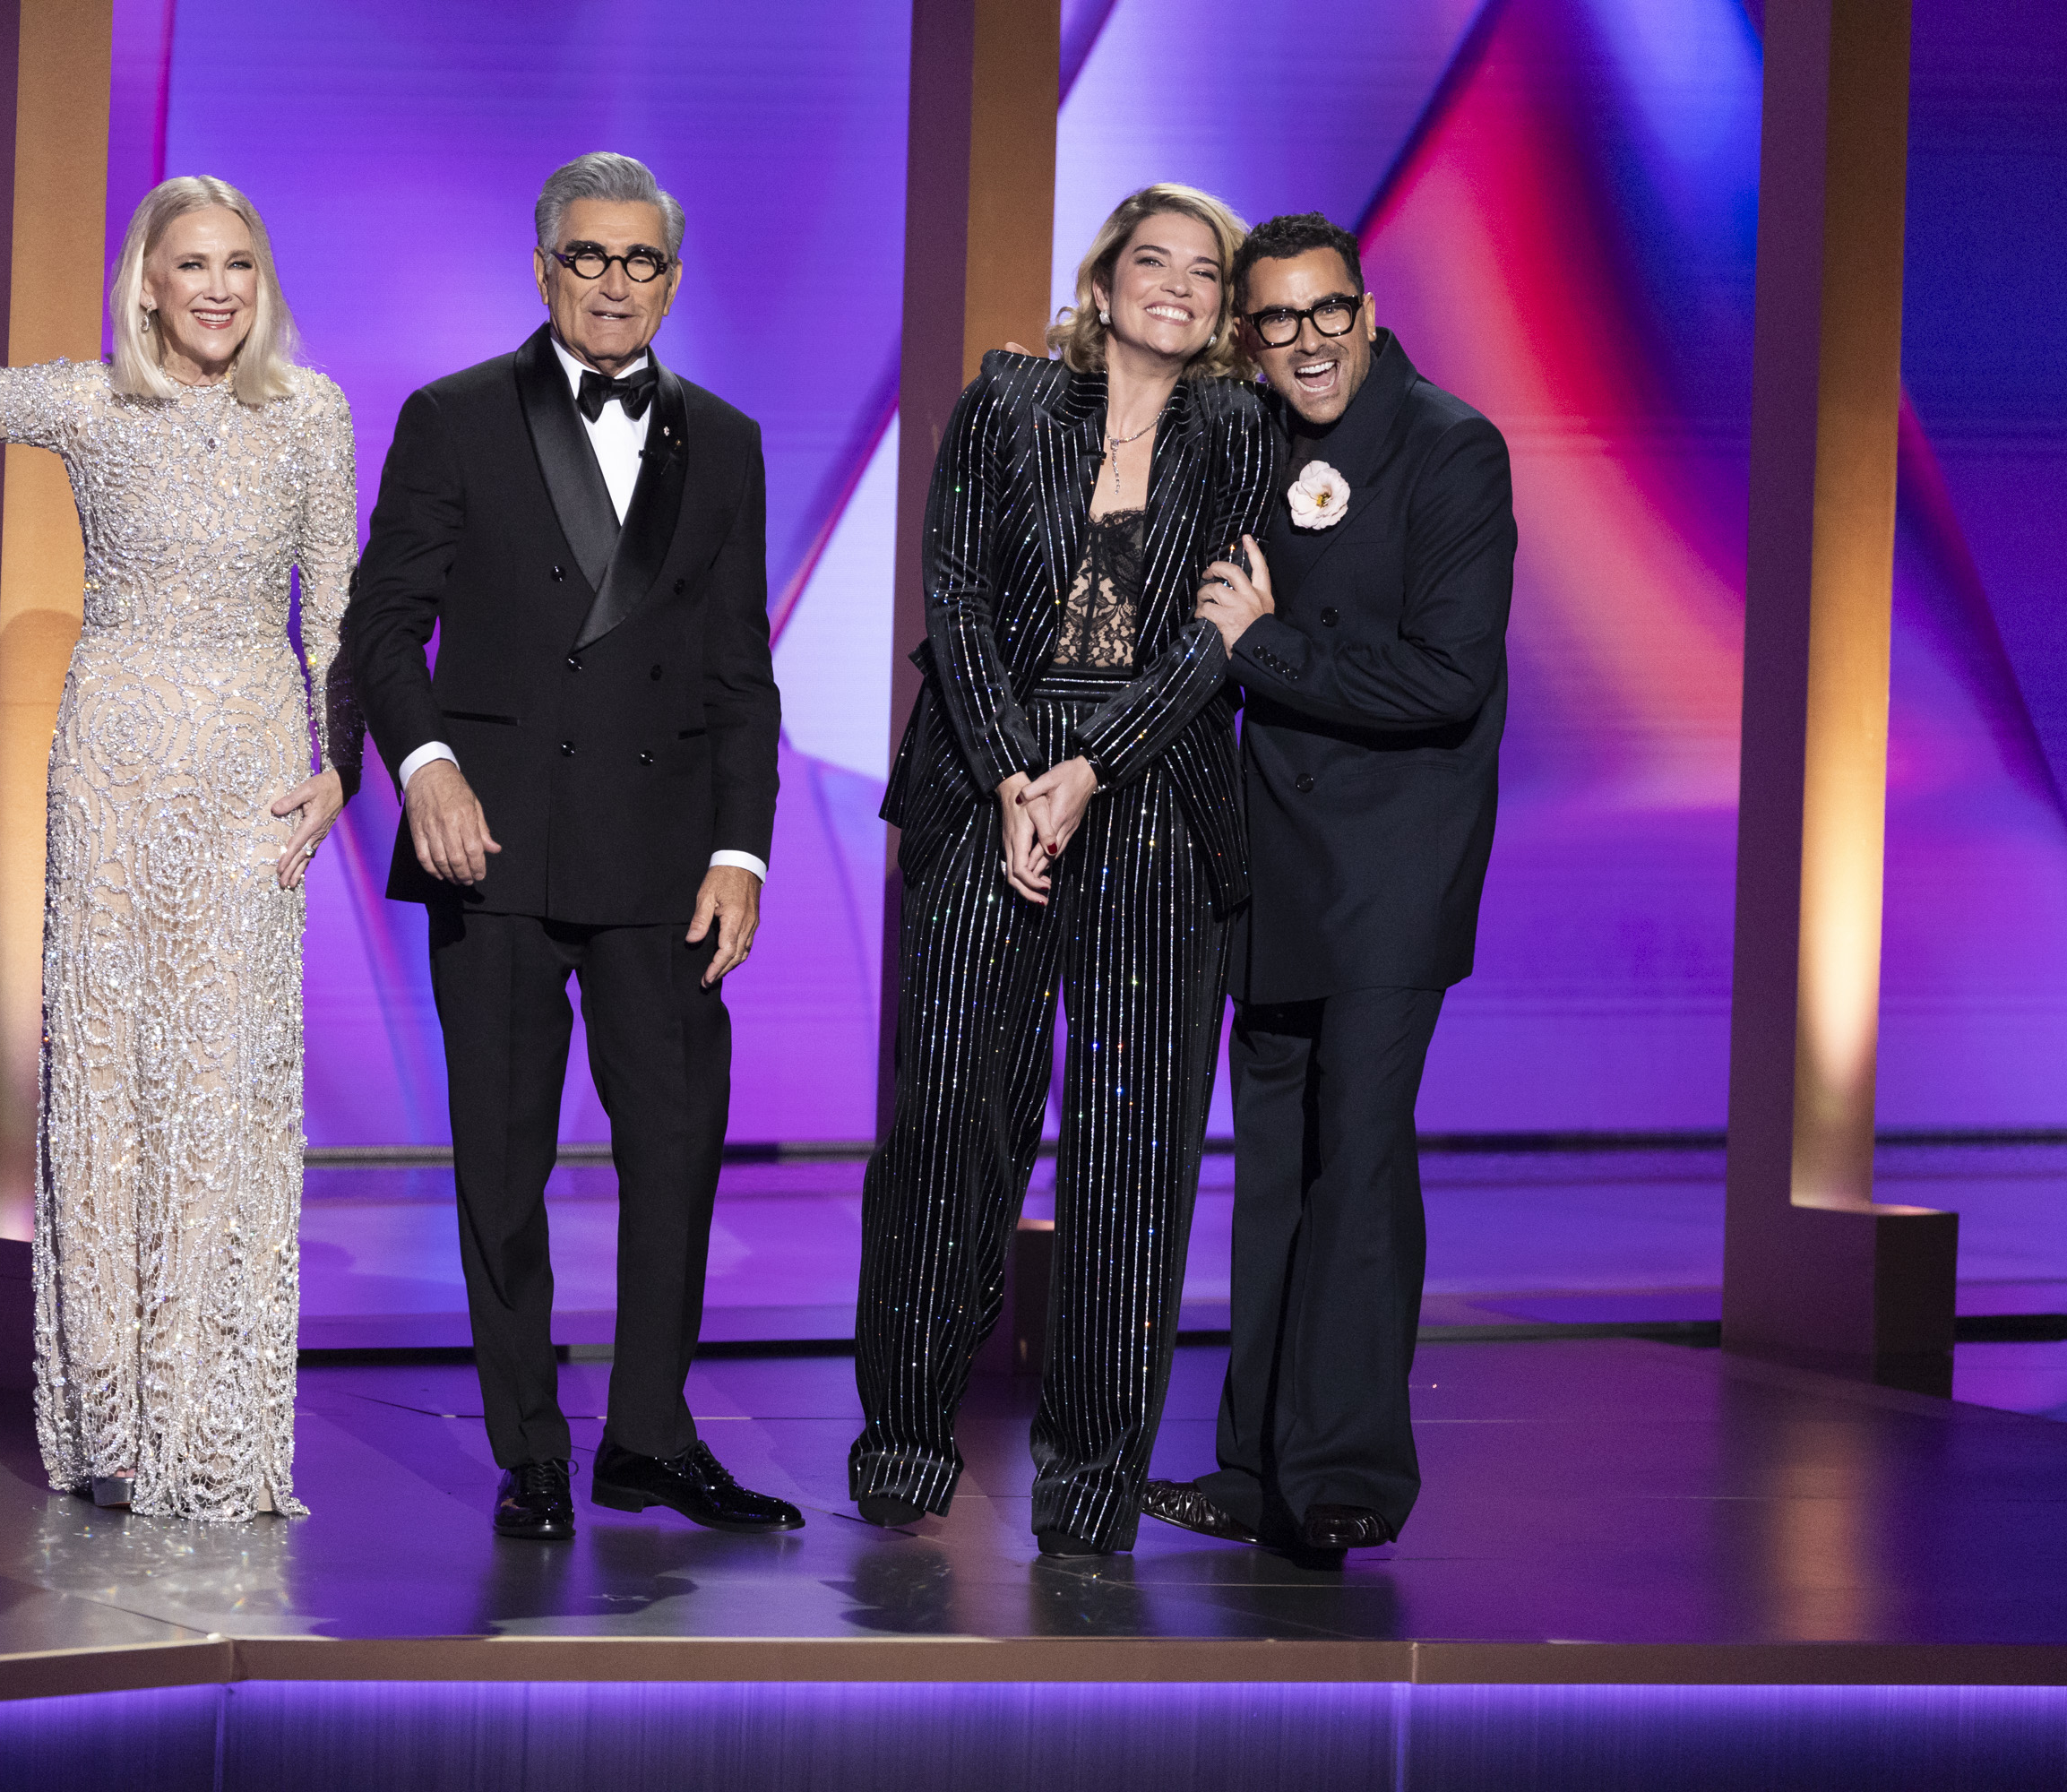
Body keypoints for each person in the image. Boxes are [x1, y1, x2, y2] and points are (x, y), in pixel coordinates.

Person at [0, 123, 359, 1521]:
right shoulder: (90, 403)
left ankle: (210, 1427)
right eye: (190, 265)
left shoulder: (316, 412)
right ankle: (105, 1419)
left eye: (238, 264)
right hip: (109, 768)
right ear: (145, 283)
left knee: (219, 1091)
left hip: (251, 770)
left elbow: (333, 609)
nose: (217, 287)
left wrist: (340, 766)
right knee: (105, 1085)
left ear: (259, 281)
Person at [345, 152, 795, 1542]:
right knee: (502, 1155)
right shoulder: (458, 416)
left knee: (678, 1146)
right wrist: (425, 769)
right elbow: (381, 628)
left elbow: (739, 671)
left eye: (641, 261)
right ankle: (531, 1443)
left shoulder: (723, 439)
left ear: (673, 278)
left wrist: (745, 851)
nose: (614, 283)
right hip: (499, 844)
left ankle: (650, 1437)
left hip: (665, 857)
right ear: (543, 269)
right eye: (589, 258)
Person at [848, 185, 1277, 1558]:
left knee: (1131, 1150)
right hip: (993, 778)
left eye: (1204, 273)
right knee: (951, 1122)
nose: (1178, 286)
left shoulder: (1241, 429)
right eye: (1152, 261)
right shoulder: (1008, 402)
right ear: (1101, 284)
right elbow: (954, 595)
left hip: (1151, 794)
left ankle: (1092, 1476)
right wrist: (1020, 774)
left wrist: (1090, 771)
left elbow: (1217, 641)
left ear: (1220, 310)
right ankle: (906, 1439)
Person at [1144, 211, 1516, 1559]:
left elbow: (1446, 677)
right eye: (1276, 320)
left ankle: (1350, 1469)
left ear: (1366, 308)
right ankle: (1255, 1469)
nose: (1303, 342)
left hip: (1393, 864)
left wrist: (1266, 651)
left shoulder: (1451, 447)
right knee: (1279, 1175)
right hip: (1274, 862)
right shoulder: (1248, 440)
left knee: (1358, 1156)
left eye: (1326, 313)